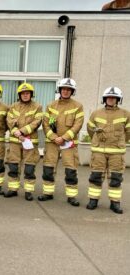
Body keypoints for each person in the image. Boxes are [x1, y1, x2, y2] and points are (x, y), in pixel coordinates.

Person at [39, 78, 84, 206]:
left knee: (70, 170)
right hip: (52, 143)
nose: (65, 91)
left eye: (68, 89)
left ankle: (71, 196)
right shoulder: (51, 106)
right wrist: (54, 137)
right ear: (59, 90)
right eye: (63, 89)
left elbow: (77, 125)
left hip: (68, 144)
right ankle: (48, 193)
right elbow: (46, 124)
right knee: (48, 168)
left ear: (72, 91)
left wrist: (63, 138)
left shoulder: (78, 106)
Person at [86, 87, 130, 214]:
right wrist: (98, 141)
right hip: (98, 151)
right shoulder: (96, 113)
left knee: (115, 178)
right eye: (109, 97)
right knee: (96, 176)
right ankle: (93, 200)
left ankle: (115, 203)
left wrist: (119, 142)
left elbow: (128, 132)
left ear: (118, 99)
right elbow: (90, 129)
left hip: (116, 153)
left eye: (114, 98)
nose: (111, 99)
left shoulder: (125, 114)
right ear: (104, 99)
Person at [3, 83, 43, 201]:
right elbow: (9, 121)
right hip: (15, 142)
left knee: (29, 168)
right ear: (19, 95)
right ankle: (13, 189)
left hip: (30, 141)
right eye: (23, 94)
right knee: (13, 165)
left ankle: (28, 191)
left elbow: (37, 121)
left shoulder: (37, 107)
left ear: (31, 94)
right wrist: (15, 131)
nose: (25, 95)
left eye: (27, 93)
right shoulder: (13, 107)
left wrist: (22, 131)